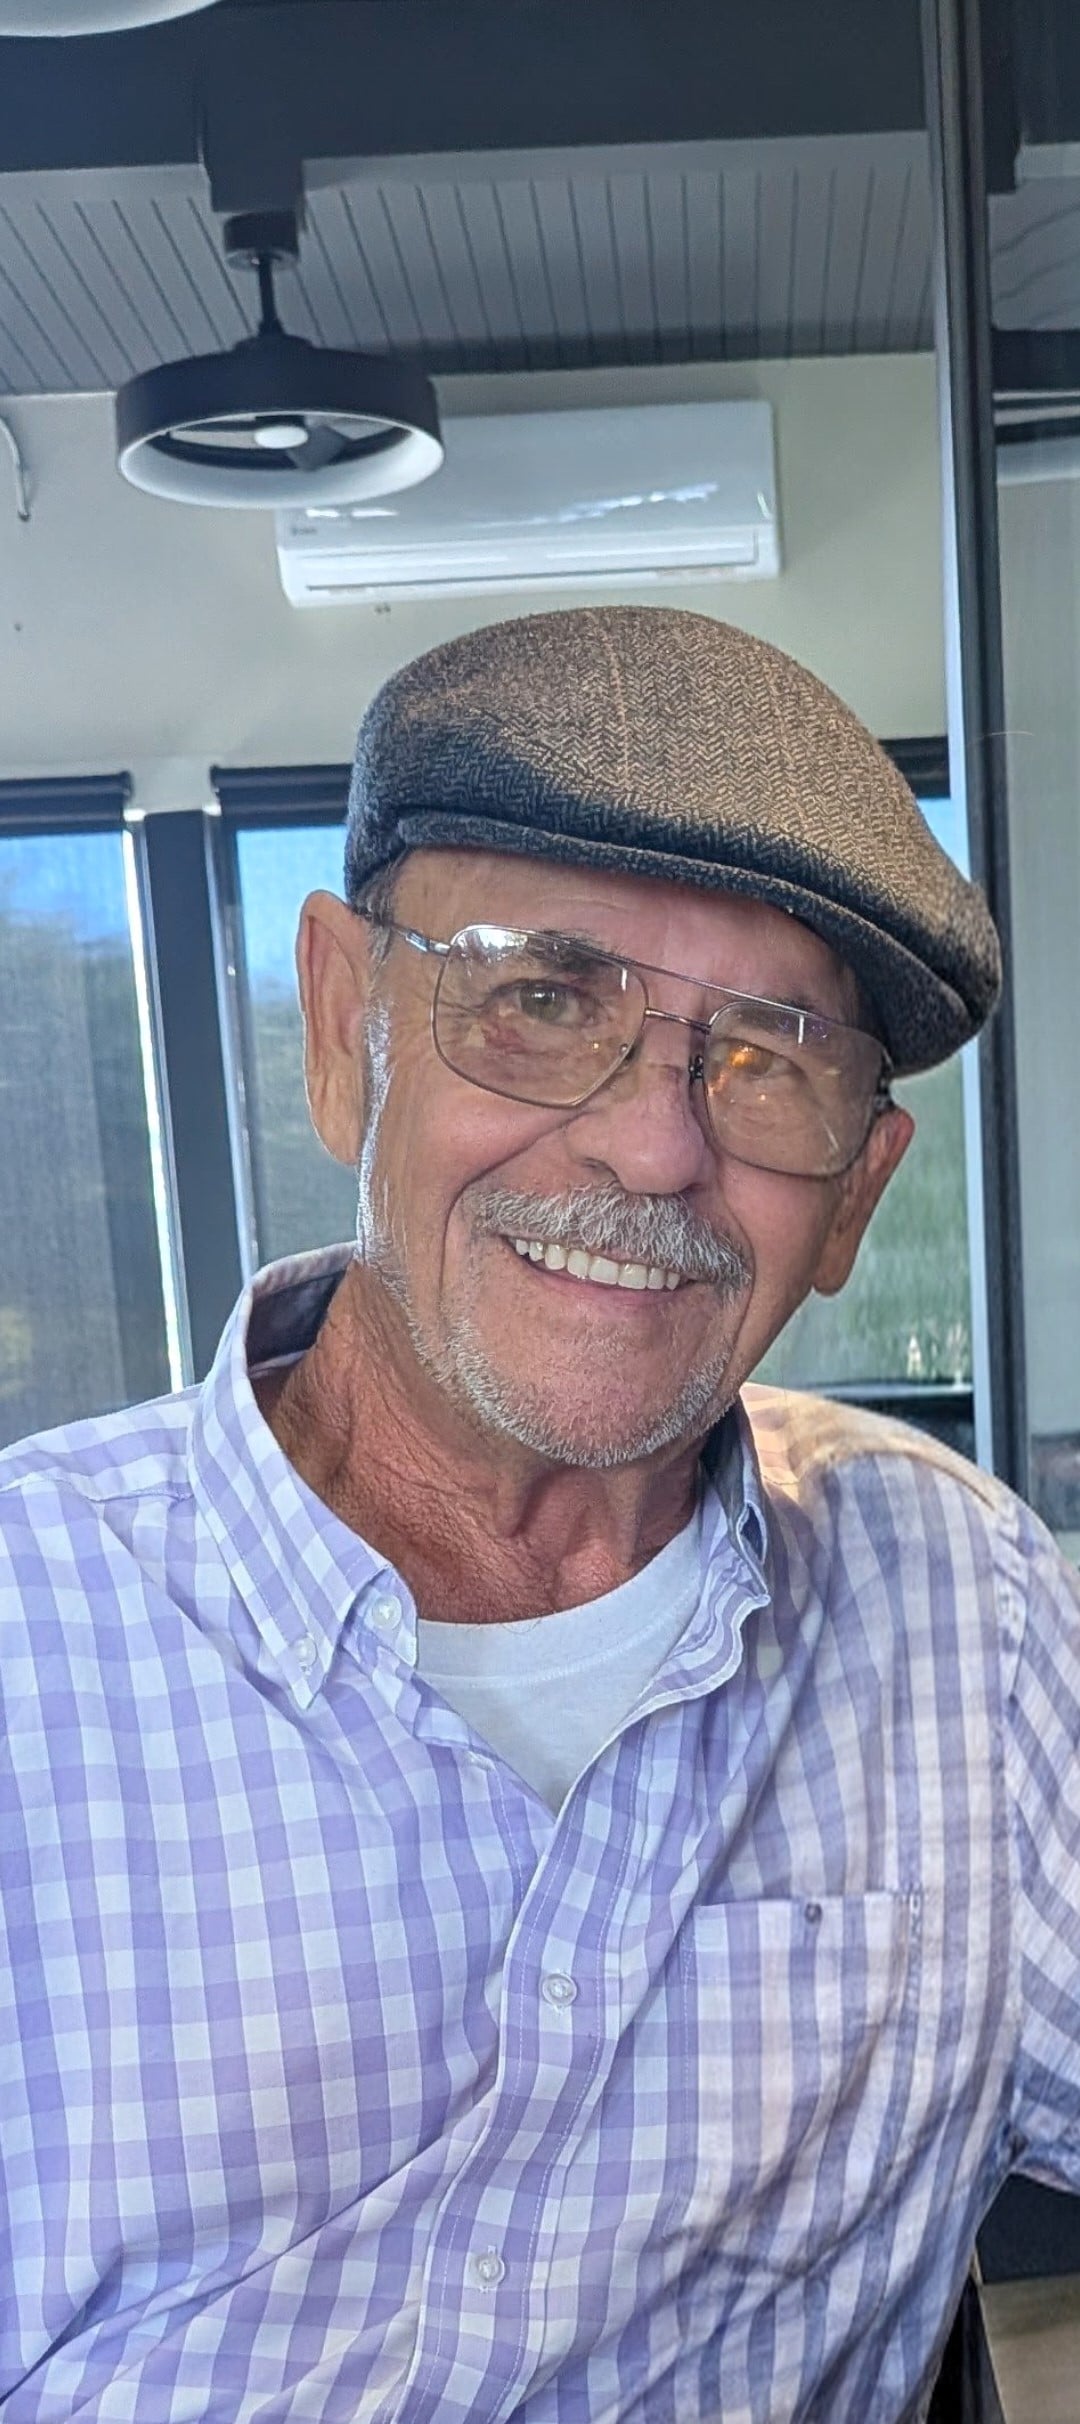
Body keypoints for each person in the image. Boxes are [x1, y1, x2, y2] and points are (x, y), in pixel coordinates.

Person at [1, 604, 1076, 2424]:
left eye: (771, 1056)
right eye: (543, 998)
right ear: (344, 1028)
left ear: (853, 1197)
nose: (655, 1146)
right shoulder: (29, 1643)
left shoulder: (960, 1602)